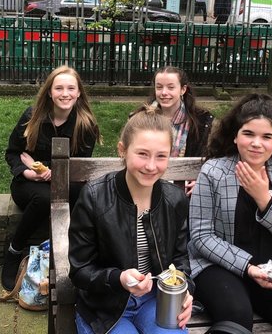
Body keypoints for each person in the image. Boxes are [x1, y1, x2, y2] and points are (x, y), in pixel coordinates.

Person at [188, 93, 272, 333]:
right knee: (236, 319)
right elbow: (201, 236)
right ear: (236, 136)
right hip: (220, 267)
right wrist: (248, 268)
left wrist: (264, 200)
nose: (256, 143)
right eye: (248, 133)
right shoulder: (214, 171)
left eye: (266, 136)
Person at [69, 106, 193, 334]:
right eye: (142, 154)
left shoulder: (174, 200)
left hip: (156, 300)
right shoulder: (95, 197)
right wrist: (119, 278)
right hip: (105, 306)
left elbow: (181, 258)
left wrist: (185, 291)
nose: (151, 166)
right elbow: (80, 270)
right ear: (122, 150)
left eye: (161, 156)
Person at [2, 65, 100, 290]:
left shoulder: (85, 125)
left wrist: (53, 173)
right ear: (49, 92)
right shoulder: (32, 116)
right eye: (59, 88)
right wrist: (27, 170)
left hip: (66, 183)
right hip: (28, 185)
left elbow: (81, 166)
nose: (64, 94)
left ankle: (76, 256)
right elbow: (13, 152)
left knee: (83, 195)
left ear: (78, 93)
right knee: (45, 199)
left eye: (70, 88)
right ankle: (14, 251)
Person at [132, 66, 214, 194]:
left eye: (170, 87)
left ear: (183, 89)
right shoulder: (139, 118)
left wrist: (201, 179)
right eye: (159, 87)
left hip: (184, 191)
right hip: (147, 186)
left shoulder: (202, 121)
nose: (164, 92)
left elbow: (213, 157)